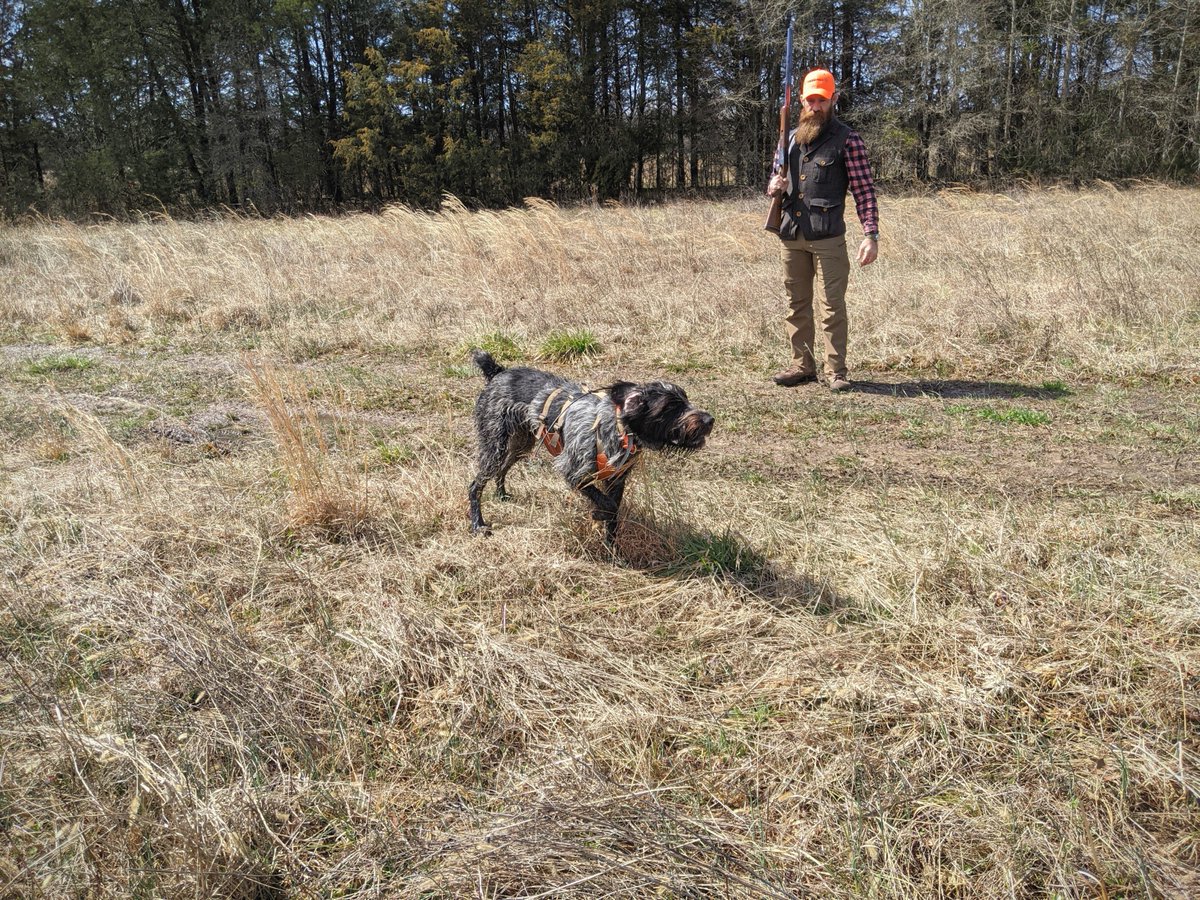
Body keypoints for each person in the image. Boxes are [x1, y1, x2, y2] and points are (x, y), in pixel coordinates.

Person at [766, 68, 878, 392]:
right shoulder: (788, 137)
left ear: (834, 100)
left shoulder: (848, 139)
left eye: (822, 100)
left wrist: (870, 235)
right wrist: (774, 185)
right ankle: (802, 365)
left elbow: (864, 191)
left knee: (832, 305)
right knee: (795, 303)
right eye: (811, 99)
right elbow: (775, 181)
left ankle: (836, 371)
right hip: (791, 233)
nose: (816, 106)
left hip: (828, 236)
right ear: (802, 100)